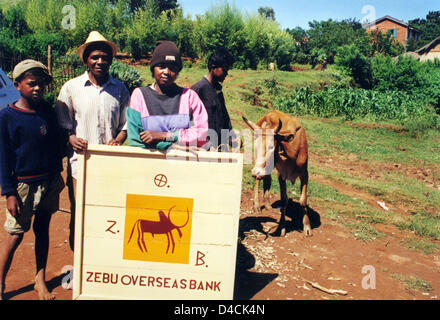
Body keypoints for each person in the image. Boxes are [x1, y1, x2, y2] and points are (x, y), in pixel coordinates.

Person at [56, 31, 130, 251]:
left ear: (110, 60)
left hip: (110, 166)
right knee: (79, 213)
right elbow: (62, 120)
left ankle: (100, 266)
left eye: (104, 57)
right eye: (94, 57)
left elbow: (126, 124)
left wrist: (118, 139)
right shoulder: (71, 88)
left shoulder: (120, 89)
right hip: (80, 165)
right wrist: (71, 138)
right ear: (86, 59)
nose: (100, 61)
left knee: (107, 213)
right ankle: (78, 268)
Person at [0, 60, 65, 300]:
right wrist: (9, 192)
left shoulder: (47, 113)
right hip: (23, 187)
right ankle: (1, 283)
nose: (37, 88)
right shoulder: (7, 116)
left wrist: (57, 173)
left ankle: (40, 279)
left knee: (43, 229)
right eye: (31, 84)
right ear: (17, 85)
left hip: (49, 181)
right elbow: (4, 158)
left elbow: (56, 144)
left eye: (41, 84)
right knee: (15, 234)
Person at [127, 40, 208, 151]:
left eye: (172, 68)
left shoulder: (189, 96)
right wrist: (172, 145)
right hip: (148, 161)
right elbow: (135, 140)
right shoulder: (139, 95)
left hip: (181, 162)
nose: (166, 72)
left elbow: (201, 134)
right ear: (153, 68)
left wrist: (164, 136)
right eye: (161, 66)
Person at [191, 48, 235, 151]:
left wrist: (231, 138)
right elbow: (189, 121)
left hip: (219, 148)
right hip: (202, 150)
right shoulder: (198, 90)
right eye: (224, 70)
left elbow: (224, 119)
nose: (226, 73)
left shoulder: (218, 91)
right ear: (213, 67)